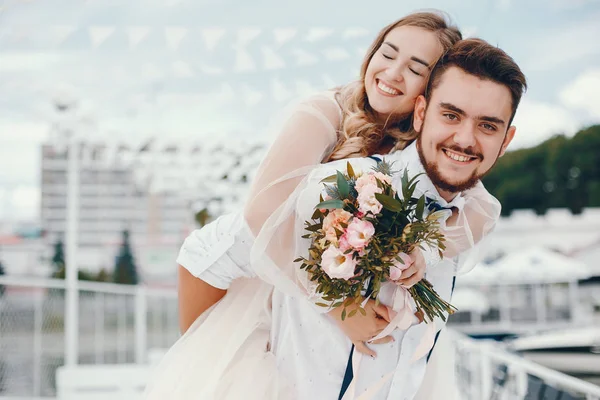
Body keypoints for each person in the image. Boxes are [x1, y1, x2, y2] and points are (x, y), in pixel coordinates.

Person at [145, 21, 527, 400]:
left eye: (414, 69)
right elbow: (261, 216)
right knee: (210, 363)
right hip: (242, 250)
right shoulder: (329, 114)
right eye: (387, 54)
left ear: (426, 92)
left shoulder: (430, 163)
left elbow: (482, 209)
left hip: (299, 260)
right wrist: (337, 305)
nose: (392, 74)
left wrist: (425, 249)